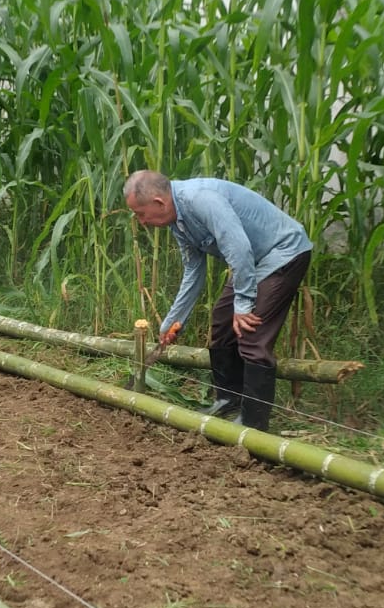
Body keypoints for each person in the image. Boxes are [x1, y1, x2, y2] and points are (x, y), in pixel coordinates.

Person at [123, 170, 312, 433]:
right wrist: (174, 320)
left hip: (282, 252)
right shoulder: (177, 220)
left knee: (250, 331)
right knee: (222, 321)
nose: (142, 222)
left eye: (141, 214)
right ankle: (228, 398)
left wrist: (243, 304)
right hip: (252, 262)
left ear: (158, 202)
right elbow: (193, 270)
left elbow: (239, 248)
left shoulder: (201, 200)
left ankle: (254, 423)